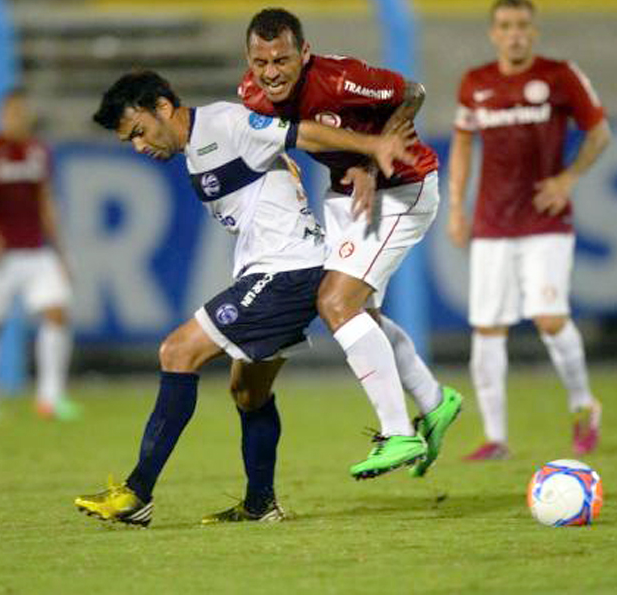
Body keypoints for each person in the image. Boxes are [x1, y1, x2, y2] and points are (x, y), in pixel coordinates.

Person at [74, 70, 417, 526]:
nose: (140, 146)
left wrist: (372, 148)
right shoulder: (198, 147)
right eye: (129, 142)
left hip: (286, 272)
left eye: (138, 132)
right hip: (284, 271)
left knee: (177, 351)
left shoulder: (224, 124)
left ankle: (136, 495)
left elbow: (301, 134)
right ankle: (260, 505)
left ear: (162, 106)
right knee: (248, 391)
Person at [240, 8, 462, 480]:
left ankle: (398, 432)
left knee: (335, 302)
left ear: (304, 52)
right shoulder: (252, 96)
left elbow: (413, 91)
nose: (271, 73)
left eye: (282, 59)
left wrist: (375, 158)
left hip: (403, 186)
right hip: (346, 192)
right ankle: (433, 400)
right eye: (261, 62)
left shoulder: (342, 80)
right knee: (362, 314)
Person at [446, 0, 611, 460]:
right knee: (488, 329)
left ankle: (583, 405)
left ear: (533, 31)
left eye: (522, 25)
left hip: (545, 222)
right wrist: (456, 207)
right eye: (506, 26)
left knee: (550, 319)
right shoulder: (475, 83)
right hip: (493, 224)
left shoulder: (559, 76)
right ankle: (496, 438)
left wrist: (568, 178)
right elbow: (460, 147)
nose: (514, 33)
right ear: (493, 33)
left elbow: (599, 132)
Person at [0, 88, 77, 424]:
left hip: (34, 250)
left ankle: (50, 397)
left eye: (22, 112)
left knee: (57, 311)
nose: (17, 118)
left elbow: (45, 202)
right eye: (12, 112)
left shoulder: (38, 151)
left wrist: (60, 251)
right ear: (1, 115)